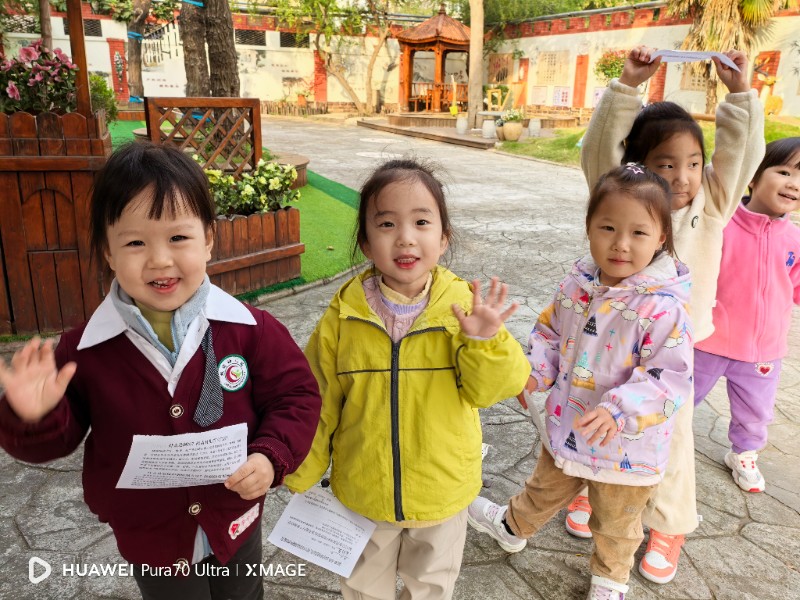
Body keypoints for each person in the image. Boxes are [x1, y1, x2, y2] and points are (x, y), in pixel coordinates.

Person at [0, 142, 322, 600]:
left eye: (178, 238)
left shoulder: (251, 330)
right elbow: (57, 439)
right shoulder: (83, 350)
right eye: (135, 243)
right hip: (149, 534)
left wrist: (271, 456)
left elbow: (296, 396)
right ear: (108, 253)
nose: (159, 260)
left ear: (208, 239)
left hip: (234, 518)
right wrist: (32, 415)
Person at [283, 158, 531, 600]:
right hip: (364, 491)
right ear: (365, 242)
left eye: (421, 222)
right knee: (362, 588)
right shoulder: (343, 315)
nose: (405, 237)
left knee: (430, 587)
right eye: (386, 224)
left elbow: (494, 389)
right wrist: (298, 470)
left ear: (443, 237)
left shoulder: (464, 310)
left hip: (442, 491)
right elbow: (318, 398)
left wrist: (485, 342)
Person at [576, 45, 765, 584]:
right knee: (594, 411)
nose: (682, 177)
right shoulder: (622, 199)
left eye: (693, 164)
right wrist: (626, 87)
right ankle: (593, 492)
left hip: (673, 349)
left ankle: (669, 522)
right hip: (610, 337)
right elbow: (598, 153)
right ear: (637, 166)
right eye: (666, 164)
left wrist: (740, 95)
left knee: (670, 433)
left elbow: (743, 152)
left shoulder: (714, 202)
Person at [468, 164, 694, 600]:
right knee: (542, 489)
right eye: (608, 228)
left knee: (617, 524)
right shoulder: (577, 285)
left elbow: (669, 377)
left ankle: (610, 580)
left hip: (627, 448)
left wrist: (618, 410)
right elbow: (551, 334)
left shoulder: (664, 308)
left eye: (638, 232)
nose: (621, 243)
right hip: (568, 426)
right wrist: (534, 373)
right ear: (589, 227)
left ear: (661, 238)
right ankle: (511, 527)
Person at [694, 137, 800, 492]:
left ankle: (744, 453)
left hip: (762, 351)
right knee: (679, 399)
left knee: (756, 412)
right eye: (784, 172)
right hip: (707, 340)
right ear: (752, 176)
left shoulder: (795, 240)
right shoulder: (721, 223)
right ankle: (661, 444)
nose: (794, 184)